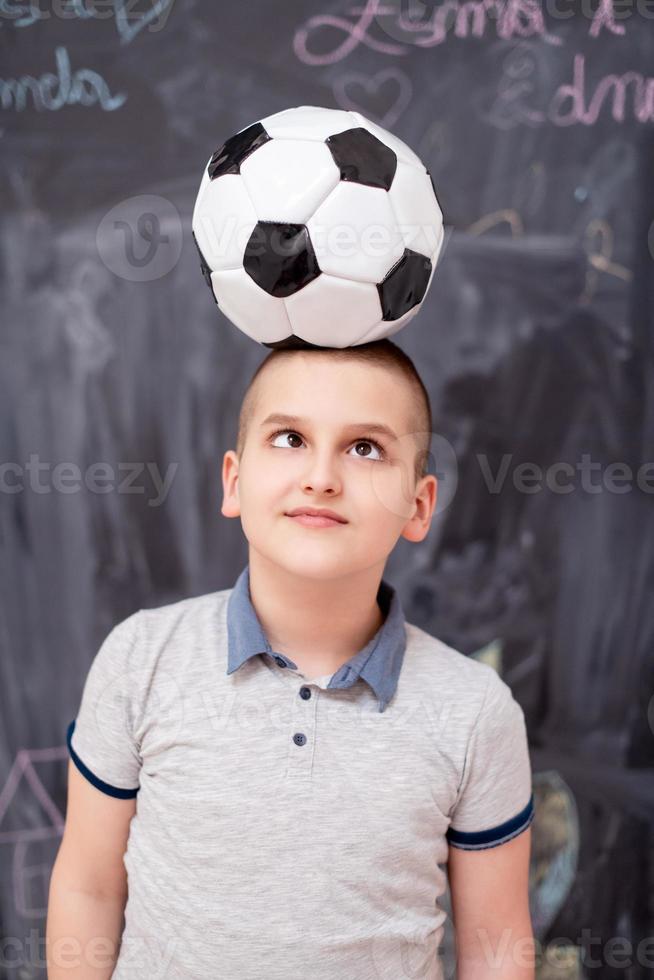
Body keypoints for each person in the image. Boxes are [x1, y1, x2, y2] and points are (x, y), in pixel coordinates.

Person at [47, 338, 535, 980]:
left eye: (365, 449)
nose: (321, 477)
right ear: (234, 481)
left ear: (418, 506)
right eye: (289, 439)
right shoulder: (140, 660)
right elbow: (88, 887)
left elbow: (495, 945)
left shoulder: (475, 712)